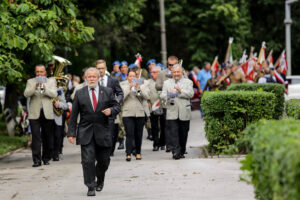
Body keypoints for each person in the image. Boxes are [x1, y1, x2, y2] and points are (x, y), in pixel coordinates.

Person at [67, 67, 120, 196]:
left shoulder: (107, 91)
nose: (91, 79)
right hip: (86, 131)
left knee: (104, 160)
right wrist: (71, 133)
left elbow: (117, 106)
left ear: (98, 78)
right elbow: (74, 115)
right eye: (89, 77)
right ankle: (90, 185)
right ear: (86, 78)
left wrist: (111, 111)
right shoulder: (80, 93)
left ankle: (99, 179)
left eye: (94, 77)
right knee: (88, 160)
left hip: (104, 130)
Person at [24, 64, 57, 167]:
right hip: (34, 113)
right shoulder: (30, 82)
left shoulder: (51, 81)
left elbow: (54, 94)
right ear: (35, 72)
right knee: (36, 138)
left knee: (47, 137)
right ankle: (36, 160)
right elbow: (26, 94)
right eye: (37, 72)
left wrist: (45, 87)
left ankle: (46, 158)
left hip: (47, 113)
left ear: (45, 72)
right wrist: (34, 87)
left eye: (41, 72)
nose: (39, 73)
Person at [160, 64, 194, 160]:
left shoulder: (188, 82)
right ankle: (175, 151)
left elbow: (191, 94)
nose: (176, 74)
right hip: (172, 110)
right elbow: (162, 95)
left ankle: (182, 151)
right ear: (171, 73)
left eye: (178, 72)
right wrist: (168, 94)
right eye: (174, 72)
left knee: (183, 132)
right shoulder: (167, 83)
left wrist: (180, 91)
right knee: (173, 132)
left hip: (184, 111)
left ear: (182, 72)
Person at [95, 59, 124, 156]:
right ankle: (100, 152)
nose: (101, 70)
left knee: (111, 134)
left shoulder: (113, 80)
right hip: (97, 112)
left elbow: (120, 93)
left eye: (102, 68)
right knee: (98, 134)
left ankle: (109, 152)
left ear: (106, 68)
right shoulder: (93, 81)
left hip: (111, 112)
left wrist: (117, 100)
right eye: (98, 68)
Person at [121, 70, 150, 161]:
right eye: (130, 76)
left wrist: (139, 89)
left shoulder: (142, 85)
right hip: (127, 113)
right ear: (127, 77)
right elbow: (121, 97)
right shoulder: (122, 85)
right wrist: (130, 87)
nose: (132, 78)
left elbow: (146, 97)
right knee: (129, 134)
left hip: (139, 113)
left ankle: (138, 152)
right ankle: (128, 153)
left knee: (138, 134)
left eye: (134, 76)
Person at [155, 56, 178, 152]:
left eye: (173, 65)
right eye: (169, 65)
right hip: (166, 103)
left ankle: (176, 143)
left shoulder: (180, 72)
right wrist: (166, 84)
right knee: (167, 124)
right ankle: (169, 145)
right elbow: (157, 86)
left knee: (177, 124)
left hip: (177, 102)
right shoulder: (162, 73)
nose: (171, 67)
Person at [148, 65, 165, 151]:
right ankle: (155, 144)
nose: (152, 74)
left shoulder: (164, 81)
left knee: (163, 126)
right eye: (151, 72)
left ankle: (162, 143)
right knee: (154, 127)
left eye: (154, 72)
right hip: (152, 107)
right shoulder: (148, 82)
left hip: (163, 106)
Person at [52, 84, 68, 161]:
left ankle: (56, 154)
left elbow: (65, 105)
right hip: (46, 116)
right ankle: (48, 154)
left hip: (57, 116)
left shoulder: (60, 91)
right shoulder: (43, 89)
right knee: (47, 136)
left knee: (58, 135)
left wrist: (59, 104)